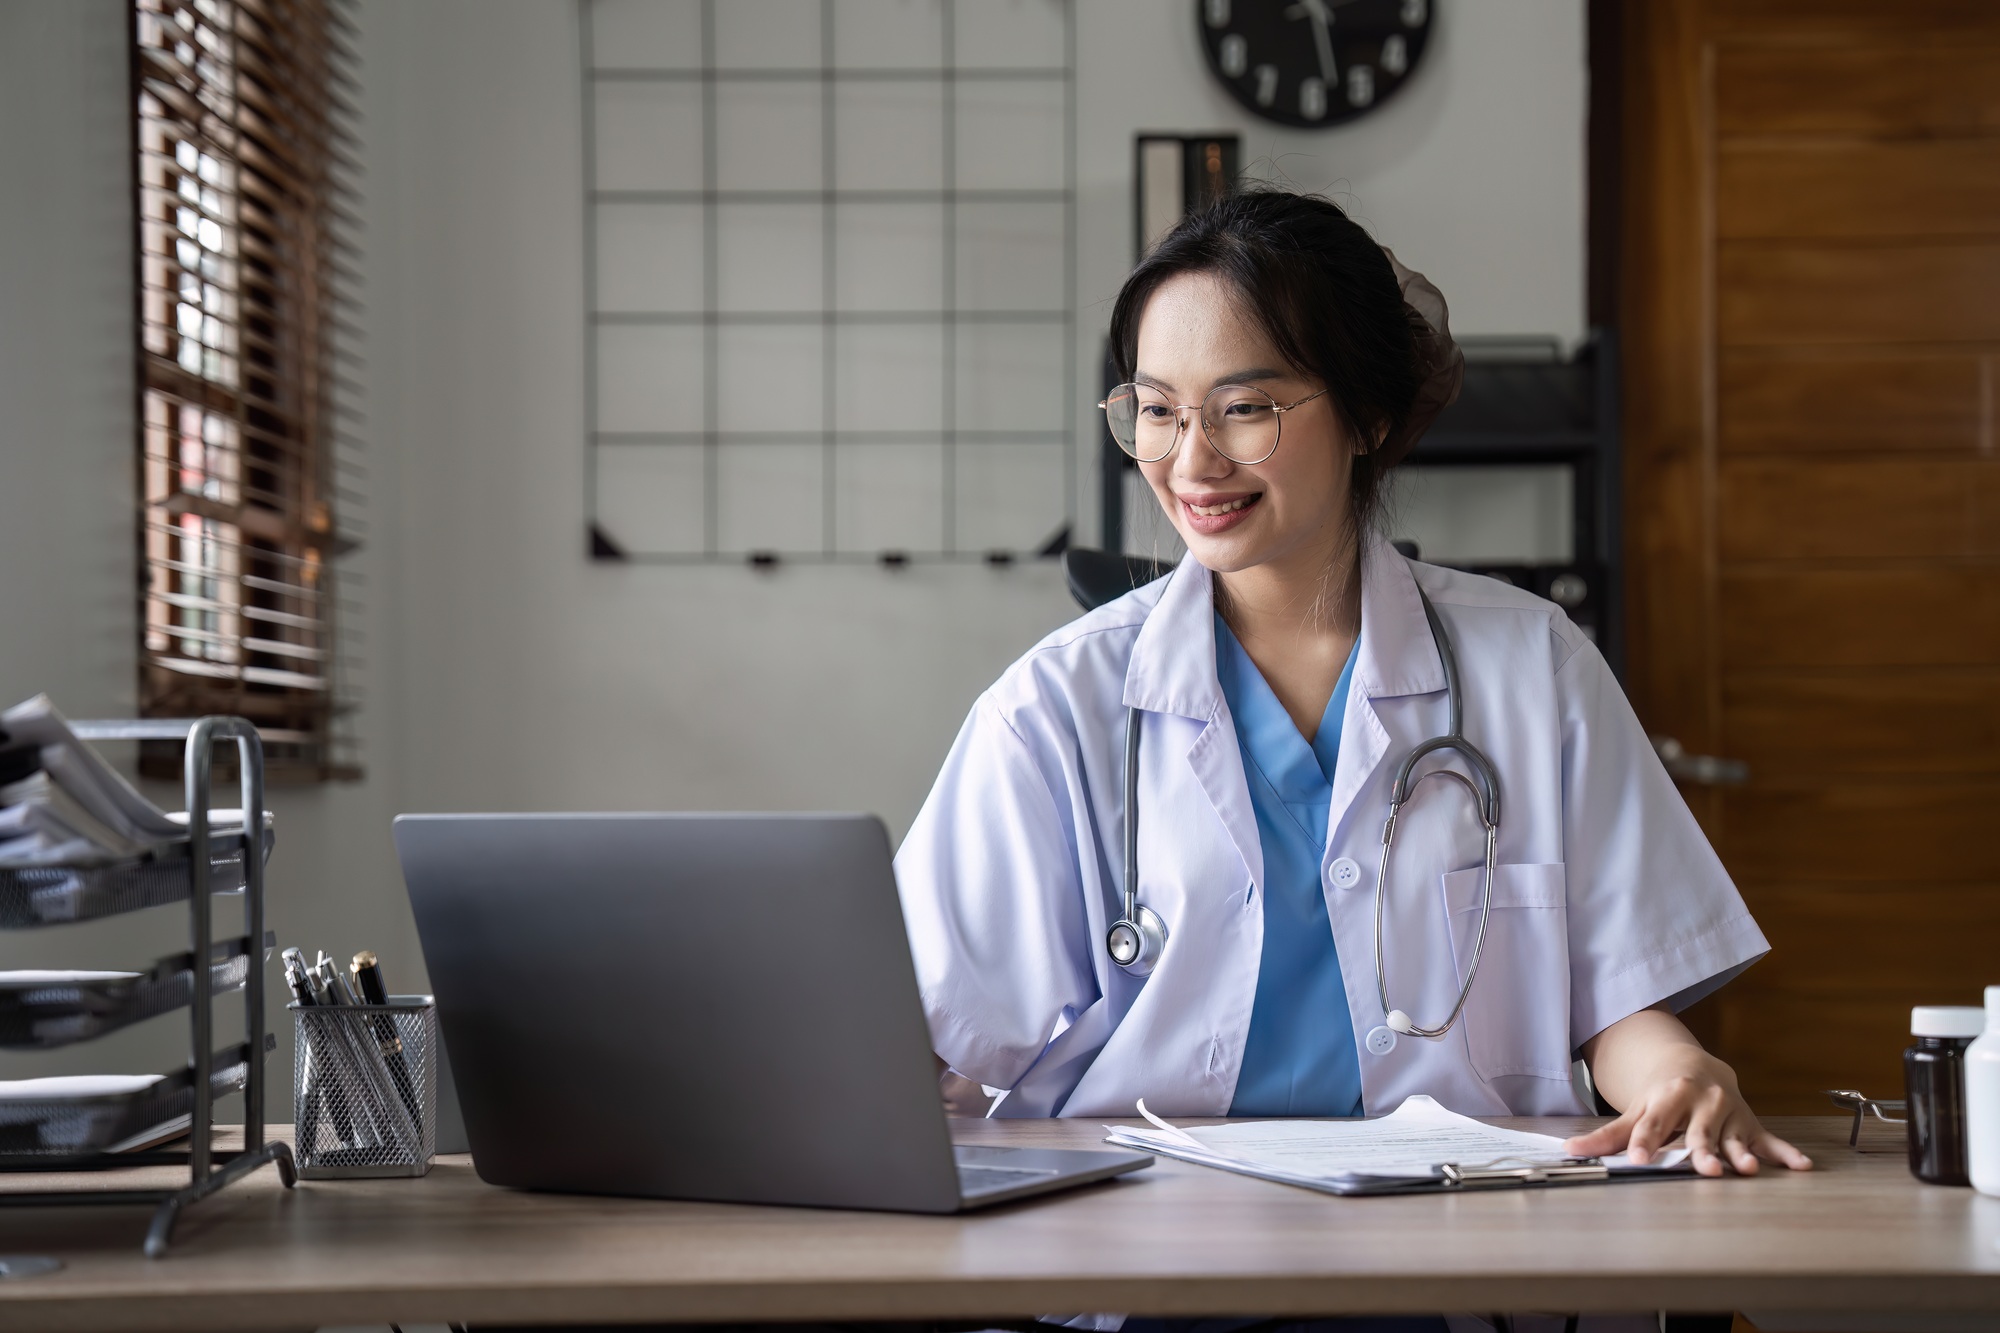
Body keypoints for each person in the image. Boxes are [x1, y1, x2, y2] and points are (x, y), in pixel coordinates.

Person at [894, 189, 1809, 1180]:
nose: (1189, 459)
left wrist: (1680, 1069)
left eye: (1244, 408)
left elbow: (1621, 1001)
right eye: (1156, 409)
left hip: (1460, 1250)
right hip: (1147, 1251)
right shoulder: (1054, 709)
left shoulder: (1532, 670)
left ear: (1368, 412)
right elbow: (926, 1030)